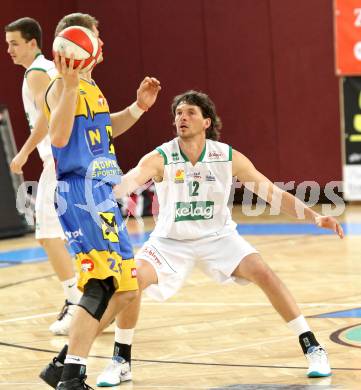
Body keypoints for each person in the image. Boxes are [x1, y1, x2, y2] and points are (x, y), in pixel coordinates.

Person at [95, 90, 344, 387]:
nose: (182, 118)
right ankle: (121, 360)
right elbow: (129, 181)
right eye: (178, 113)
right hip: (170, 242)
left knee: (263, 272)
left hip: (218, 237)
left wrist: (314, 216)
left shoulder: (226, 156)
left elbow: (271, 193)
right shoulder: (161, 157)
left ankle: (312, 346)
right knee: (132, 280)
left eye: (190, 113)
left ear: (206, 122)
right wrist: (101, 193)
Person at [38, 12, 161, 390]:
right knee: (102, 284)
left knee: (126, 285)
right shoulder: (61, 86)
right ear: (76, 46)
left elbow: (105, 130)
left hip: (102, 193)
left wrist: (138, 108)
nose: (101, 43)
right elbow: (59, 139)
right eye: (94, 38)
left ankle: (63, 364)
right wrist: (71, 84)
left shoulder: (91, 86)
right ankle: (72, 375)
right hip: (81, 194)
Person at [5, 17, 82, 335]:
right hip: (74, 157)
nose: (9, 49)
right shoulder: (53, 69)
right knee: (69, 237)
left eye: (14, 43)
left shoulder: (37, 73)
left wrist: (22, 153)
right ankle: (90, 300)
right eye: (7, 43)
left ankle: (76, 302)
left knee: (47, 235)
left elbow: (45, 120)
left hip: (58, 160)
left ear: (33, 43)